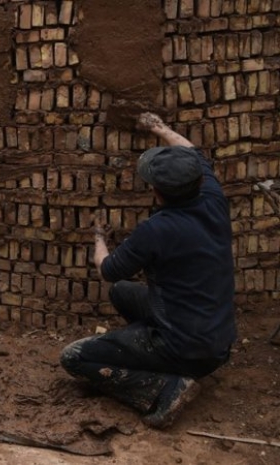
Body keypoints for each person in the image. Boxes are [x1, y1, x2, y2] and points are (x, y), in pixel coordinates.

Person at [59, 112, 236, 429]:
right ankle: (166, 356)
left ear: (156, 192)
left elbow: (109, 269)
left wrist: (99, 238)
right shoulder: (212, 198)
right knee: (122, 294)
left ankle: (166, 388)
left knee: (74, 357)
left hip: (187, 346)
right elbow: (190, 151)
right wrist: (158, 127)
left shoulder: (156, 230)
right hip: (218, 341)